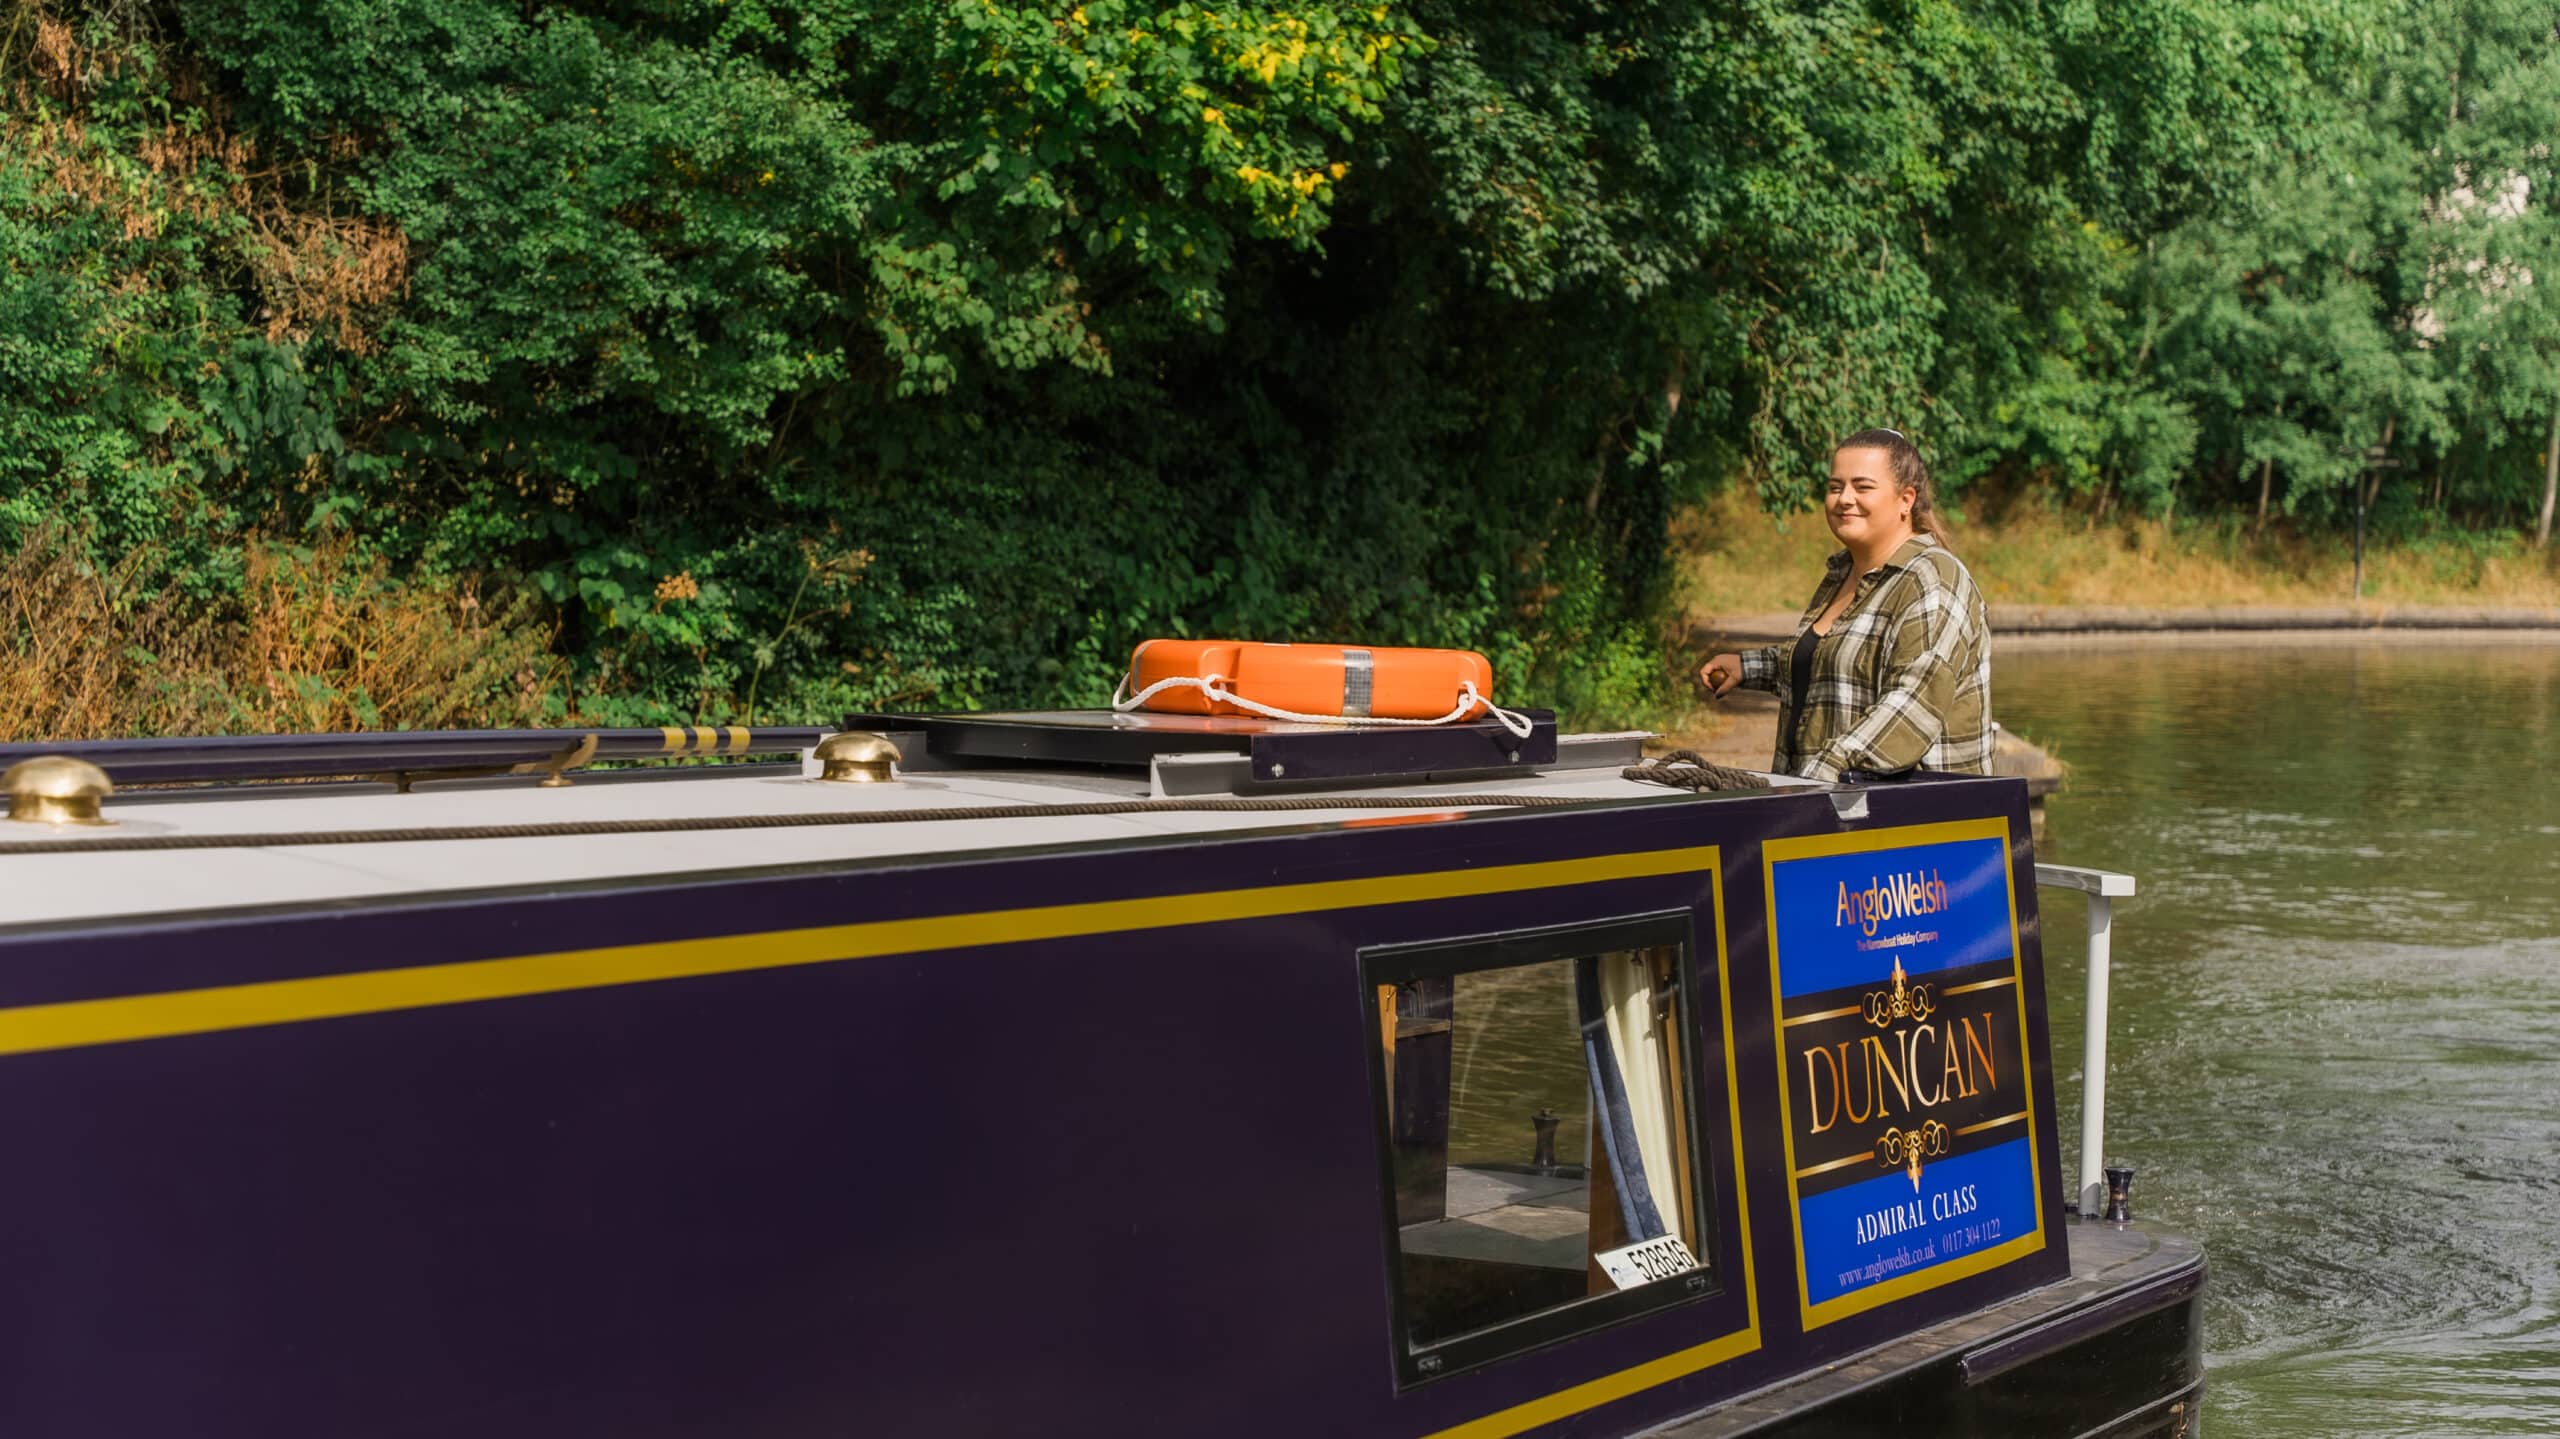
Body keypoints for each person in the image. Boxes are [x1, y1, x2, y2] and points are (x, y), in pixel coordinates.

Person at [1697, 429, 1991, 782]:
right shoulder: (1842, 573)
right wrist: (1750, 667)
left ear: (1906, 499)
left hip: (1917, 821)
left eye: (1862, 487)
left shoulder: (1934, 578)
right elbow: (1835, 664)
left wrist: (1815, 780)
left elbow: (1912, 705)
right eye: (1835, 487)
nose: (1844, 499)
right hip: (1828, 808)